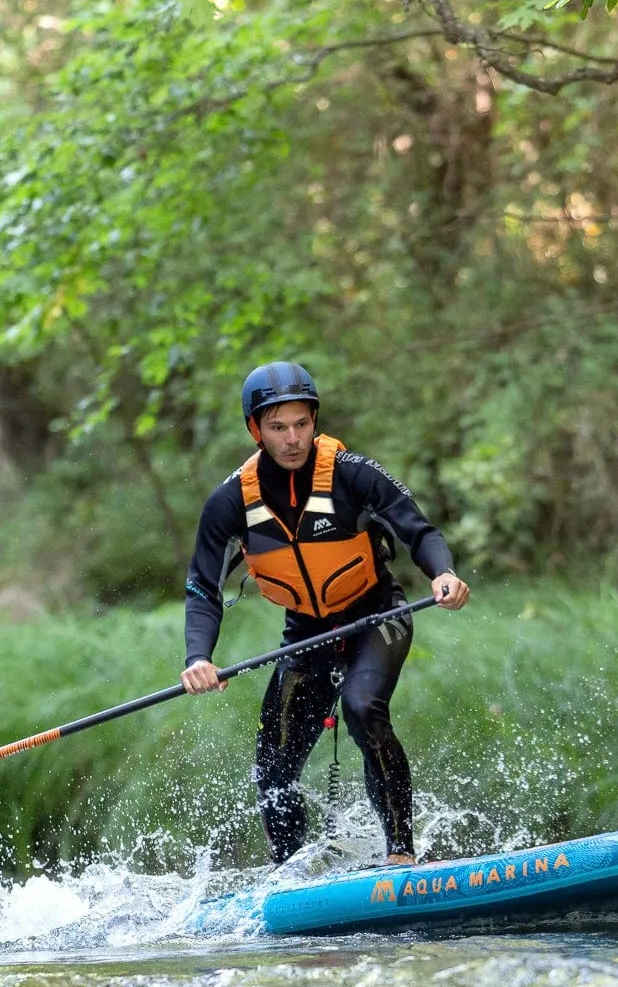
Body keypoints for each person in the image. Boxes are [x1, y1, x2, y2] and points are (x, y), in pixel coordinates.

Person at [181, 361, 470, 865]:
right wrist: (198, 657)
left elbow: (418, 531)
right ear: (255, 430)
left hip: (376, 615)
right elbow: (202, 587)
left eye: (301, 424)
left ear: (314, 420)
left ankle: (400, 856)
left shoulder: (352, 474)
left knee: (362, 708)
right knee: (272, 767)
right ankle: (290, 875)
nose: (292, 439)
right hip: (306, 634)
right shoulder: (230, 502)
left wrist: (442, 573)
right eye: (277, 427)